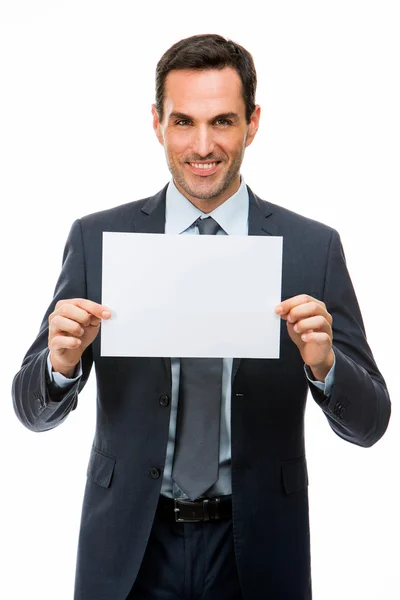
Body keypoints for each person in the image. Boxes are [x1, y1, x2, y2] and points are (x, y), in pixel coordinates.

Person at [12, 33, 391, 600]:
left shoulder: (311, 249)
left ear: (253, 123)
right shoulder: (97, 240)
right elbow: (30, 411)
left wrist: (325, 365)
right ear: (157, 123)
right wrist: (60, 364)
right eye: (184, 121)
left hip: (259, 547)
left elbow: (371, 424)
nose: (203, 145)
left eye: (223, 121)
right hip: (130, 547)